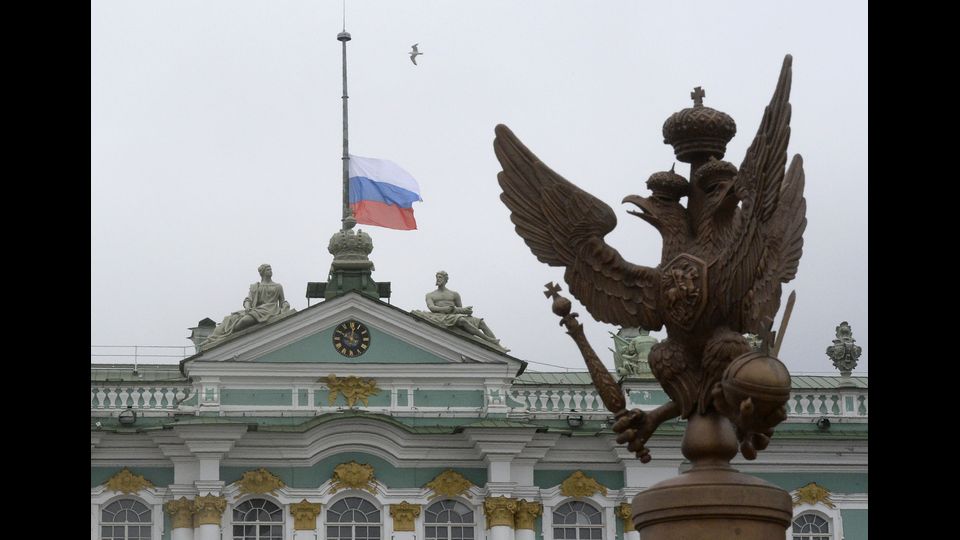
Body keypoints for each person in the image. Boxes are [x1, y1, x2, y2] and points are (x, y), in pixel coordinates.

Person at [203, 264, 294, 347]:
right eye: (267, 270)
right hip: (256, 310)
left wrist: (286, 305)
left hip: (270, 310)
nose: (270, 271)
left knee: (244, 321)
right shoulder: (255, 286)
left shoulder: (278, 286)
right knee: (230, 318)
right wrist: (247, 306)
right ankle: (213, 338)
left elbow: (282, 302)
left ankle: (224, 336)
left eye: (270, 269)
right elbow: (248, 299)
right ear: (262, 273)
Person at [413, 271, 500, 344]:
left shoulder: (454, 294)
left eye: (440, 277)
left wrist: (466, 311)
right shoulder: (430, 295)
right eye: (437, 277)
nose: (438, 279)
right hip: (442, 317)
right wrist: (445, 309)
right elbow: (432, 307)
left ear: (445, 280)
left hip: (454, 316)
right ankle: (486, 339)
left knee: (481, 322)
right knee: (461, 320)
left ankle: (497, 345)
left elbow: (459, 310)